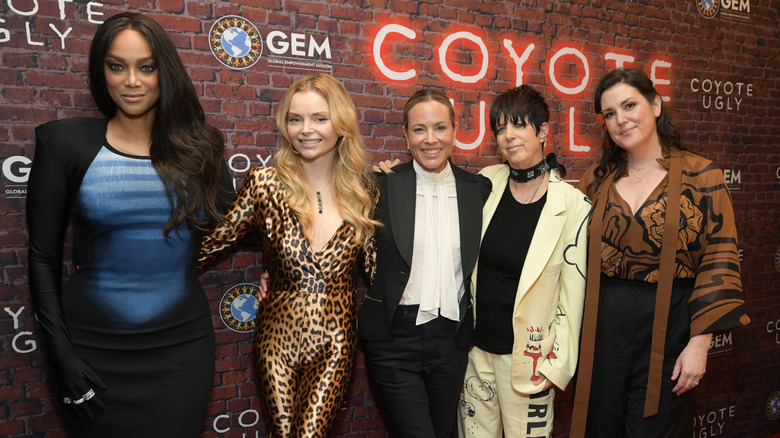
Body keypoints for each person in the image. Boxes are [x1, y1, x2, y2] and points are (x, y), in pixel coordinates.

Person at [26, 12, 229, 437]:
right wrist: (60, 355)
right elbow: (43, 258)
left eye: (147, 67)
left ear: (165, 72)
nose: (131, 81)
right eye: (116, 66)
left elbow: (238, 227)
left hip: (180, 350)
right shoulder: (64, 142)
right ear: (101, 71)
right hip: (92, 349)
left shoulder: (201, 148)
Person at [570, 68, 750, 437]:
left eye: (629, 105)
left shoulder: (704, 177)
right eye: (609, 114)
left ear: (655, 105)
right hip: (602, 323)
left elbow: (719, 258)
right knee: (600, 426)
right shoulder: (595, 179)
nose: (621, 120)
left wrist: (700, 344)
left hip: (671, 324)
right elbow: (571, 258)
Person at [198, 73, 379, 437]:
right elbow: (214, 242)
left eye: (319, 118)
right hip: (275, 341)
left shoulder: (365, 192)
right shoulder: (265, 183)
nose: (306, 129)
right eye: (295, 119)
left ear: (341, 124)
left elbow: (380, 274)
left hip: (335, 341)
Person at [457, 85, 590, 437]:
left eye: (518, 125)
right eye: (500, 128)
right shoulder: (487, 182)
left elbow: (572, 293)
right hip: (477, 354)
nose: (508, 136)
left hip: (531, 363)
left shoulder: (572, 204)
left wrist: (557, 365)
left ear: (543, 131)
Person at [358, 89, 492, 438]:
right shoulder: (380, 185)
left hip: (452, 341)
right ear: (405, 135)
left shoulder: (478, 188)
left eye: (440, 128)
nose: (430, 139)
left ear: (454, 130)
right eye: (419, 129)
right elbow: (338, 242)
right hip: (393, 340)